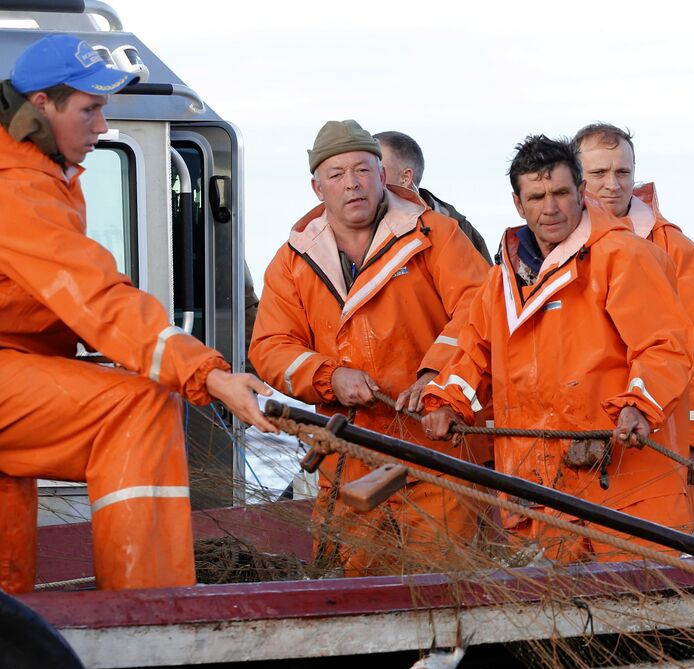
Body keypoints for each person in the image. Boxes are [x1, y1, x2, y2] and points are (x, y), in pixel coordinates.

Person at [0, 34, 275, 593]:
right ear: (42, 105)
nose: (101, 127)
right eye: (91, 108)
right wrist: (208, 373)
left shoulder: (41, 176)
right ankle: (150, 615)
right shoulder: (17, 188)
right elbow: (97, 297)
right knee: (136, 408)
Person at [415, 135, 694, 562]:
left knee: (636, 608)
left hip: (624, 491)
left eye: (562, 193)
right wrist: (447, 403)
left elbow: (664, 347)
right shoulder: (501, 281)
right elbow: (473, 357)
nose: (551, 207)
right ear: (518, 204)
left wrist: (640, 405)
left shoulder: (624, 257)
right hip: (537, 492)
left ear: (581, 193)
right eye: (537, 196)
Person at [249, 119, 490, 576]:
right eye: (336, 174)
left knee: (444, 586)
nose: (352, 184)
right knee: (354, 587)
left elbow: (480, 313)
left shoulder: (437, 234)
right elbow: (270, 347)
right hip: (350, 455)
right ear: (317, 187)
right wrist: (329, 377)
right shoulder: (292, 260)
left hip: (437, 444)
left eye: (361, 170)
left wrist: (432, 374)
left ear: (382, 175)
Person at [572, 122, 694, 467]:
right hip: (571, 444)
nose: (612, 185)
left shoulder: (676, 251)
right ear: (576, 177)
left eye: (623, 172)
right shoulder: (551, 250)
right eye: (599, 172)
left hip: (653, 446)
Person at [374, 129, 493, 265]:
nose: (361, 180)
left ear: (405, 178)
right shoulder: (351, 229)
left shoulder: (458, 230)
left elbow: (484, 285)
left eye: (376, 169)